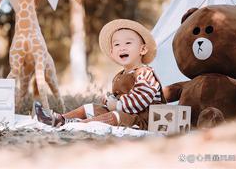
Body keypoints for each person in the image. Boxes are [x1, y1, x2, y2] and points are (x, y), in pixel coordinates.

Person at [35, 19, 166, 129]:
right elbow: (118, 97)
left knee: (115, 116)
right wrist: (109, 99)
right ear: (112, 52)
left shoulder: (145, 73)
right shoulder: (120, 75)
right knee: (90, 108)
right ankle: (60, 119)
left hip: (144, 120)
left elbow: (141, 98)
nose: (122, 47)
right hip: (125, 112)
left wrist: (117, 105)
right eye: (117, 44)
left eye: (128, 43)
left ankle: (79, 125)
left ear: (142, 49)